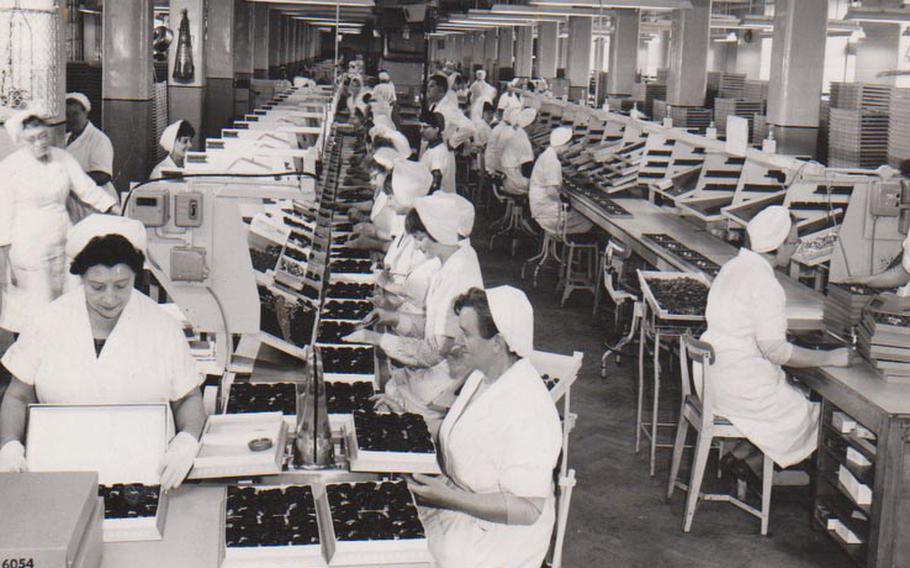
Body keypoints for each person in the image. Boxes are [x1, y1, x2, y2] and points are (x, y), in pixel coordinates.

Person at [0, 214, 205, 490]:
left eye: (121, 285)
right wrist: (10, 445)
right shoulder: (48, 322)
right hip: (58, 474)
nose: (109, 298)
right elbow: (16, 395)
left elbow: (188, 397)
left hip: (144, 476)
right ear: (81, 277)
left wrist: (187, 441)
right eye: (97, 287)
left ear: (137, 277)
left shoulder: (162, 327)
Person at [408, 286, 561, 568]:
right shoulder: (485, 376)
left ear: (497, 343)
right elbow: (470, 431)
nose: (457, 341)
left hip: (501, 541)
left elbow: (528, 509)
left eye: (467, 333)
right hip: (462, 505)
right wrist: (407, 425)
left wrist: (450, 498)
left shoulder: (529, 409)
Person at [702, 206, 855, 477]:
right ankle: (755, 467)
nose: (794, 248)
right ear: (778, 244)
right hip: (742, 389)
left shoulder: (733, 266)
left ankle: (742, 456)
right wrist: (831, 358)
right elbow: (775, 351)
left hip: (716, 379)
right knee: (815, 416)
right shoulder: (764, 282)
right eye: (793, 242)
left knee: (792, 397)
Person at [342, 193, 483, 431]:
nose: (417, 245)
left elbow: (433, 354)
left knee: (386, 401)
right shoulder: (453, 262)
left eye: (419, 239)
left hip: (445, 385)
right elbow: (432, 325)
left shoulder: (458, 274)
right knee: (389, 387)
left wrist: (376, 338)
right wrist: (393, 318)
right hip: (438, 373)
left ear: (439, 232)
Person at [0, 110, 120, 334]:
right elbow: (3, 218)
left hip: (63, 239)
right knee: (36, 312)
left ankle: (62, 361)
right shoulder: (9, 168)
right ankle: (31, 364)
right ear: (20, 140)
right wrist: (3, 265)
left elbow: (86, 187)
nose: (39, 143)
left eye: (43, 136)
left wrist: (112, 206)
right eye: (32, 139)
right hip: (28, 247)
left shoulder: (62, 158)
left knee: (68, 305)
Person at [64, 92, 119, 223]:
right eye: (67, 114)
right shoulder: (66, 138)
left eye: (75, 114)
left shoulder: (99, 139)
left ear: (86, 113)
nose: (71, 118)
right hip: (76, 205)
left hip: (97, 205)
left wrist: (70, 180)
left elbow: (103, 175)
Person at [529, 126, 593, 235]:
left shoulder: (546, 154)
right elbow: (551, 191)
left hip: (539, 207)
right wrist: (564, 202)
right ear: (562, 143)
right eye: (568, 145)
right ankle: (571, 246)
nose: (568, 149)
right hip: (548, 213)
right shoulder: (553, 162)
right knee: (588, 221)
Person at [500, 107, 537, 197]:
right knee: (543, 187)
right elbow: (527, 170)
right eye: (535, 123)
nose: (536, 126)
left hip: (508, 178)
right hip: (515, 182)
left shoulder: (518, 134)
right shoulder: (523, 140)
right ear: (530, 124)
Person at [418, 112, 455, 194]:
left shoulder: (438, 152)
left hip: (437, 202)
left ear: (436, 129)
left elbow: (435, 185)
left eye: (425, 127)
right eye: (420, 127)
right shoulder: (431, 148)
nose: (421, 131)